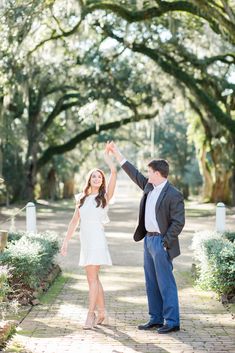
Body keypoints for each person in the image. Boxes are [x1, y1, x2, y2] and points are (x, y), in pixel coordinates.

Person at [107, 141, 185, 334]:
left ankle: (172, 321)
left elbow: (178, 222)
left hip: (161, 242)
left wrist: (165, 243)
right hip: (147, 240)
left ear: (157, 173)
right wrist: (117, 154)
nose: (146, 175)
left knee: (165, 282)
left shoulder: (174, 194)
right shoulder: (149, 187)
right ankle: (156, 318)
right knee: (151, 282)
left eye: (149, 172)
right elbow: (133, 173)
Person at [60, 144, 116, 329]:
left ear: (102, 181)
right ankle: (103, 313)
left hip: (97, 239)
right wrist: (66, 241)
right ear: (89, 179)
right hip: (86, 241)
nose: (97, 178)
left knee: (92, 279)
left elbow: (114, 174)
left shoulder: (105, 197)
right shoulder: (81, 198)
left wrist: (109, 159)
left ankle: (90, 315)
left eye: (100, 177)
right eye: (94, 176)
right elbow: (74, 221)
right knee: (94, 278)